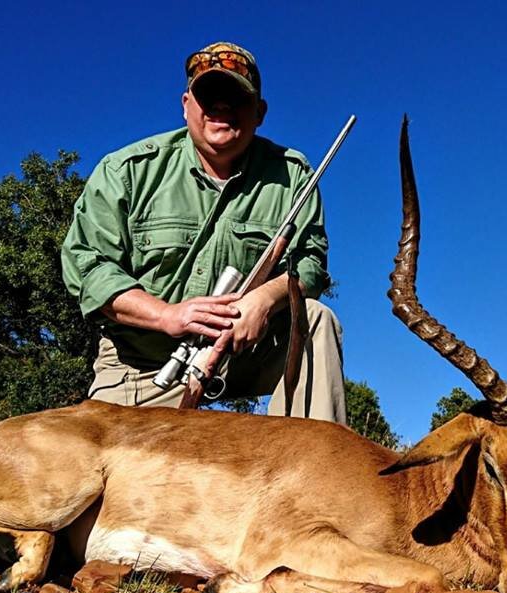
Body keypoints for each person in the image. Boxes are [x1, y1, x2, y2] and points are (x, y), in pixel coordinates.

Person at [61, 42, 346, 423]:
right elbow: (86, 266)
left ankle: (312, 472)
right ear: (186, 105)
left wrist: (262, 300)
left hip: (245, 350)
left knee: (314, 320)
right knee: (99, 463)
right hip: (144, 364)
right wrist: (166, 316)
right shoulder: (126, 170)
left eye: (236, 98)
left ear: (259, 112)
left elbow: (310, 262)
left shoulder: (293, 174)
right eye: (209, 97)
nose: (221, 108)